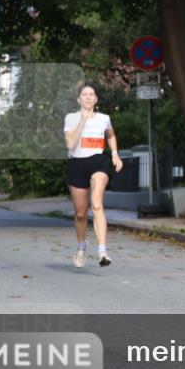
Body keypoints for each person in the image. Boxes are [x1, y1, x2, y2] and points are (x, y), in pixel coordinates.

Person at [63, 83, 123, 268]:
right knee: (81, 214)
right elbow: (70, 144)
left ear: (96, 99)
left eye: (91, 94)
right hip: (77, 163)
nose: (88, 97)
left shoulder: (104, 118)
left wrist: (114, 154)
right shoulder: (71, 118)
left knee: (96, 204)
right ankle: (82, 248)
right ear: (79, 99)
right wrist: (82, 121)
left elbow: (111, 136)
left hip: (99, 162)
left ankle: (103, 251)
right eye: (84, 94)